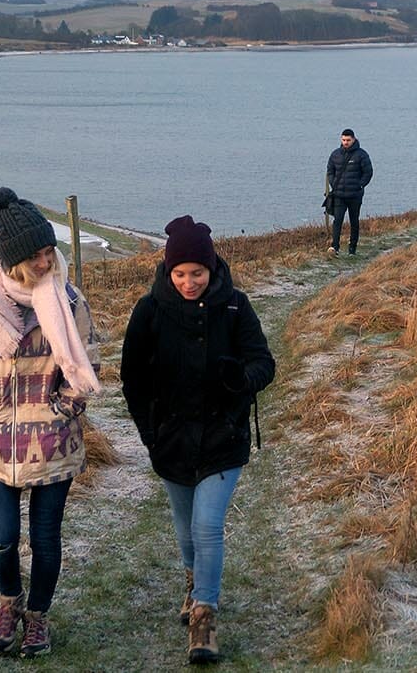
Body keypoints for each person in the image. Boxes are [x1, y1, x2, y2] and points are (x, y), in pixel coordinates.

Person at [0, 188, 102, 657]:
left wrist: (63, 409)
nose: (44, 262)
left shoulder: (67, 299)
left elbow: (87, 362)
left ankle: (37, 617)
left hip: (54, 444)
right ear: (11, 259)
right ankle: (8, 600)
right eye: (33, 255)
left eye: (48, 251)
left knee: (46, 539)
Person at [122, 216, 276, 664]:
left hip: (222, 438)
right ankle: (193, 581)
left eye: (198, 273)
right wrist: (149, 433)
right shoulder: (149, 311)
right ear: (168, 272)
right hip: (170, 440)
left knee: (208, 526)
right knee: (186, 526)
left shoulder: (235, 308)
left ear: (212, 269)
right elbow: (132, 378)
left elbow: (264, 363)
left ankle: (204, 616)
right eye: (180, 273)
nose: (189, 282)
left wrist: (242, 379)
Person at [325, 128, 373, 256]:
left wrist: (360, 185)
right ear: (341, 139)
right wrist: (333, 183)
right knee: (337, 220)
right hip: (339, 195)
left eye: (348, 140)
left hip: (355, 195)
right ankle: (335, 247)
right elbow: (330, 170)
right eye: (344, 140)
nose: (346, 142)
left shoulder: (362, 155)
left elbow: (368, 173)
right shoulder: (335, 154)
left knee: (354, 221)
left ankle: (352, 249)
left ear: (354, 139)